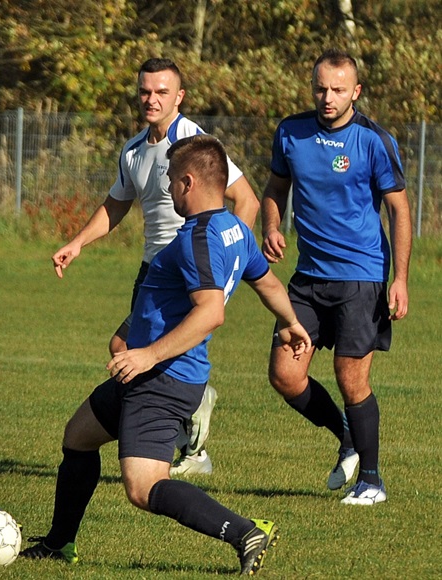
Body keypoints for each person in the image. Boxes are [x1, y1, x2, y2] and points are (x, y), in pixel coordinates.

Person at [21, 135, 310, 575]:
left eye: (172, 180)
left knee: (144, 486)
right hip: (154, 373)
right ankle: (60, 544)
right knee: (78, 436)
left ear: (189, 183)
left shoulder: (198, 237)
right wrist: (290, 322)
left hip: (163, 377)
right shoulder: (234, 227)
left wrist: (148, 355)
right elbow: (267, 282)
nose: (169, 189)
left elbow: (211, 313)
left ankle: (246, 531)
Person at [51, 58, 261, 477]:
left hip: (188, 274)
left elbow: (247, 200)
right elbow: (116, 204)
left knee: (139, 353)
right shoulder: (133, 150)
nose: (152, 99)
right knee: (123, 350)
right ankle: (188, 428)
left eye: (162, 92)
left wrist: (227, 265)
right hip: (152, 272)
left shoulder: (195, 143)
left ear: (179, 96)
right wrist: (77, 243)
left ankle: (180, 432)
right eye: (145, 91)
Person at [260, 49, 411, 506]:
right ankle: (346, 434)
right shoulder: (291, 132)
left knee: (351, 379)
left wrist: (399, 279)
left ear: (356, 92)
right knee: (285, 374)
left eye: (338, 90)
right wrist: (270, 225)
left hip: (361, 278)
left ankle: (371, 480)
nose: (328, 97)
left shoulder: (373, 140)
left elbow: (399, 209)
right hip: (307, 276)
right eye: (321, 88)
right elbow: (274, 189)